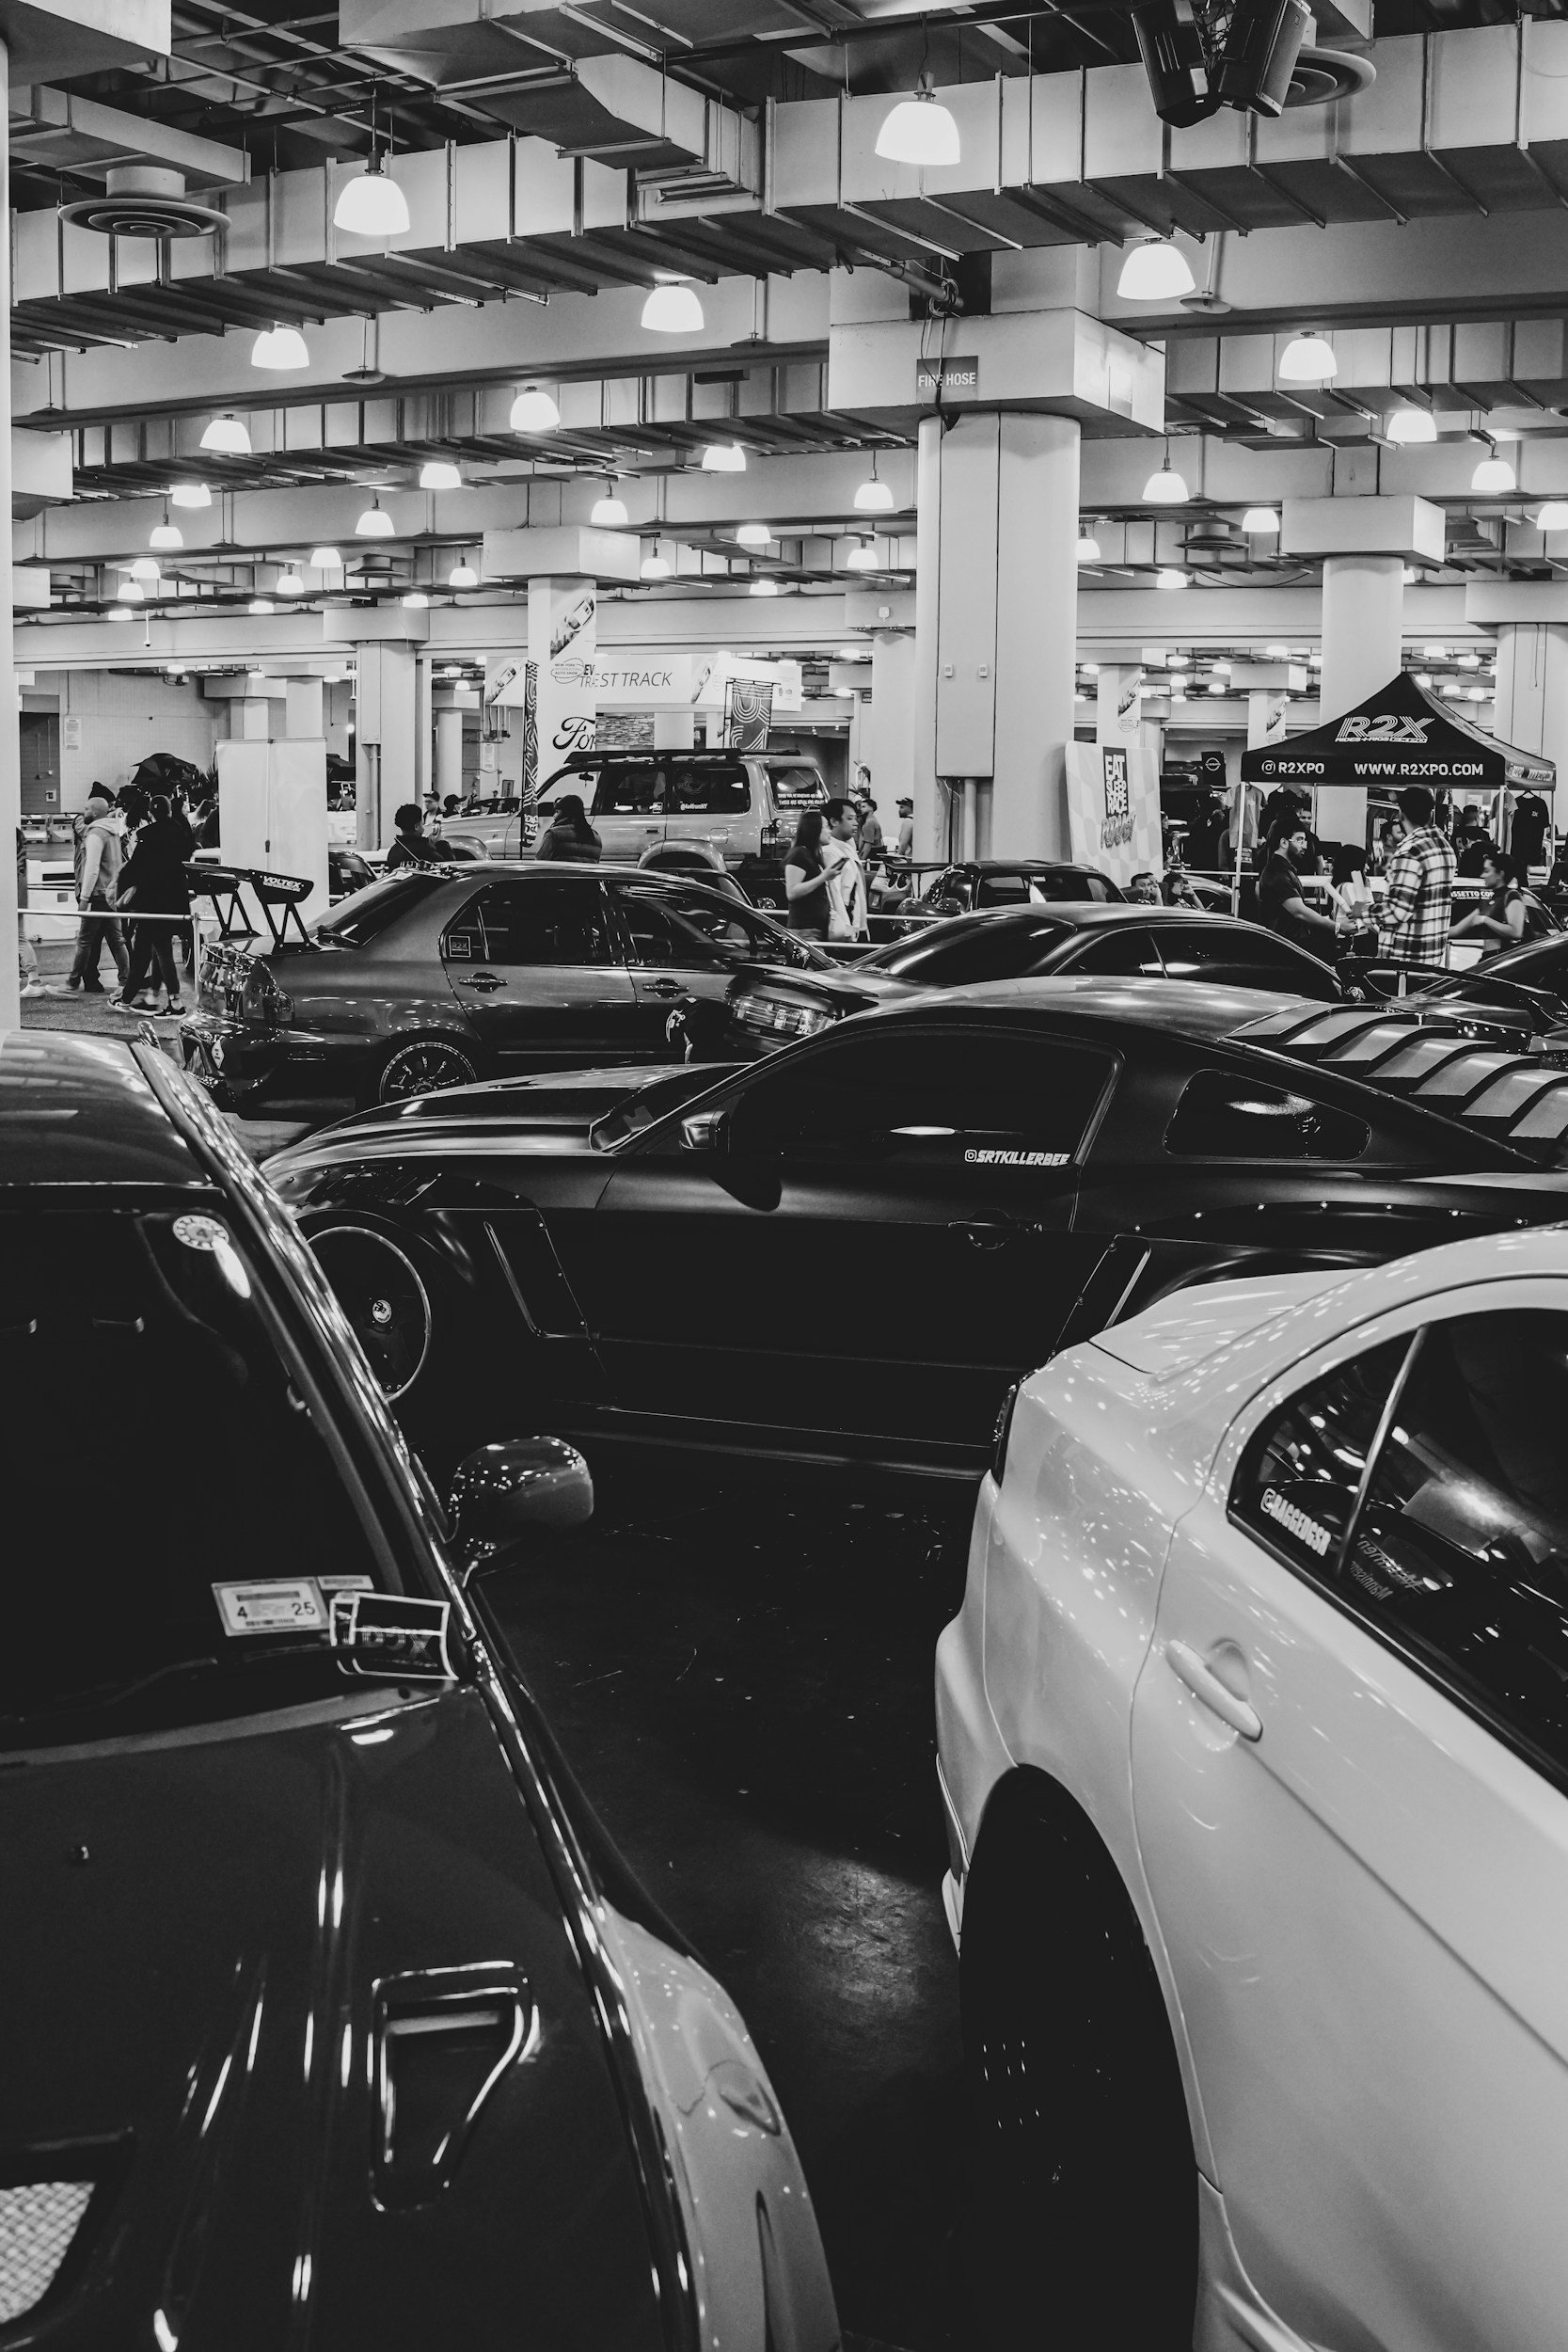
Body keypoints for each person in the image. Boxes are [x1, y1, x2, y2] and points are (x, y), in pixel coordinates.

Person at [113, 794, 195, 1017]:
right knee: (157, 951)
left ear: (150, 814)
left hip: (151, 902)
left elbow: (135, 869)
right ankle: (157, 1000)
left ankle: (164, 1002)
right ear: (169, 811)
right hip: (174, 901)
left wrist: (121, 888)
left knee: (152, 953)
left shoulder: (147, 837)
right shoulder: (182, 834)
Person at [1379, 784, 1458, 966]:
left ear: (1401, 814)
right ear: (1430, 814)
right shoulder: (1445, 847)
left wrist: (1364, 911)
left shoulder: (1410, 851)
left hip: (1402, 961)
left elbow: (1397, 911)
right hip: (1432, 955)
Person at [67, 787, 127, 994]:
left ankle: (74, 982)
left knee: (87, 940)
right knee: (114, 940)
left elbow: (92, 868)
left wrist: (84, 897)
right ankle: (125, 981)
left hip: (95, 892)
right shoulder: (104, 827)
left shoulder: (100, 830)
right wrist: (114, 818)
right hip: (109, 892)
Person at [1258, 822, 1339, 954]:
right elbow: (1299, 911)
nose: (1305, 845)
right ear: (1284, 842)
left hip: (1288, 942)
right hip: (1284, 945)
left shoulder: (1285, 870)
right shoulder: (1277, 873)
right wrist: (1337, 927)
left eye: (1304, 840)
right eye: (1299, 840)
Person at [1450, 849, 1548, 952]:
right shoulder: (1488, 900)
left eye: (1487, 871)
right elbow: (1456, 930)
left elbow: (1516, 932)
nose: (1482, 875)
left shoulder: (1512, 896)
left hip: (1505, 958)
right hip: (1488, 958)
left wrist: (1486, 920)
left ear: (1500, 874)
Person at [819, 797, 868, 940]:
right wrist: (845, 930)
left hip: (855, 925)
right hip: (845, 929)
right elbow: (835, 896)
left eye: (855, 818)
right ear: (834, 821)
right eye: (850, 818)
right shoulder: (830, 852)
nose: (855, 823)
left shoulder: (847, 848)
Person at [784, 808, 834, 938]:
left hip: (816, 930)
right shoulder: (799, 854)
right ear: (814, 830)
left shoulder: (813, 855)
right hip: (804, 932)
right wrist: (823, 877)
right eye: (826, 827)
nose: (830, 831)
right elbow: (792, 892)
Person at [533, 793, 602, 864]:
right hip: (587, 875)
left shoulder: (554, 835)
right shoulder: (596, 838)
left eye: (557, 812)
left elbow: (540, 863)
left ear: (565, 812)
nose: (554, 815)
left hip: (559, 874)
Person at [16, 826, 43, 997]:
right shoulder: (16, 833)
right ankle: (30, 979)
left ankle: (33, 981)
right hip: (18, 891)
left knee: (17, 938)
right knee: (17, 937)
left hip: (9, 895)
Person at [385, 803, 443, 871]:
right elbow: (447, 867)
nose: (423, 827)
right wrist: (441, 843)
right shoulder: (424, 848)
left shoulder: (394, 850)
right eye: (422, 823)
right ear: (416, 827)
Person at [895, 796, 915, 860]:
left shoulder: (908, 821)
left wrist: (897, 858)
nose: (899, 810)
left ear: (909, 808)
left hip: (909, 859)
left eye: (902, 807)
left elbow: (903, 844)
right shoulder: (916, 820)